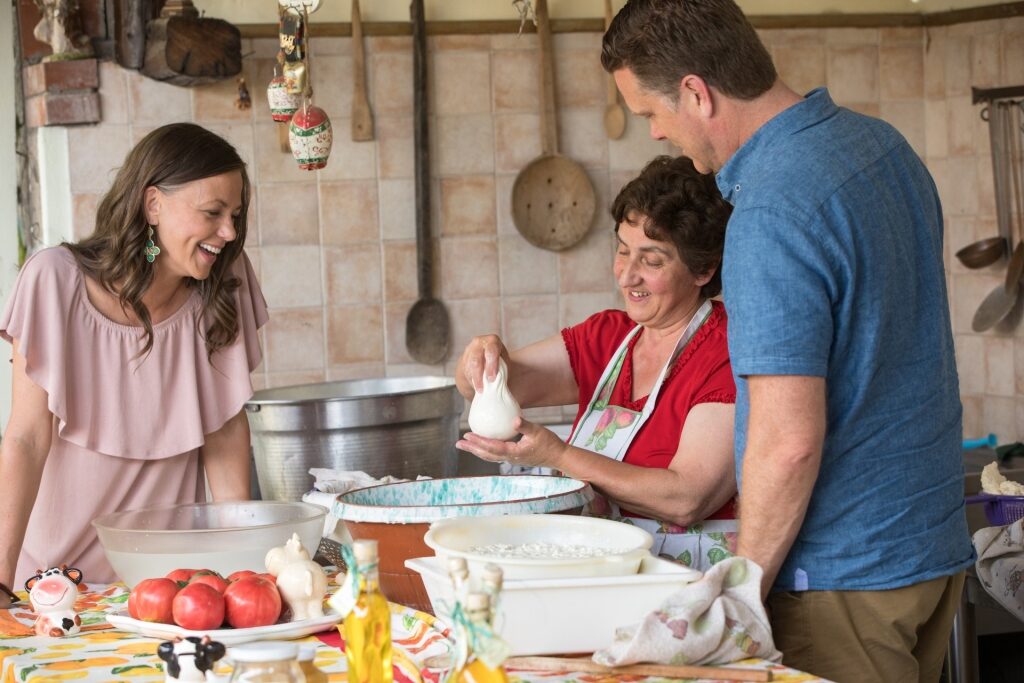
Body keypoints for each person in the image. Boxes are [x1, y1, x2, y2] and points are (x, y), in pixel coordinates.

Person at [601, 1, 973, 681]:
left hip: (838, 579)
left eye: (651, 110)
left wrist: (744, 591)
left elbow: (787, 440)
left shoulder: (772, 210)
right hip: (930, 550)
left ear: (695, 91)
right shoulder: (882, 146)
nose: (655, 131)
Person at [0, 123, 268, 604]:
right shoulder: (53, 282)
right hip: (55, 589)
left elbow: (225, 435)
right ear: (153, 204)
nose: (228, 233)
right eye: (212, 213)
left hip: (167, 595)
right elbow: (24, 438)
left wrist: (244, 575)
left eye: (235, 214)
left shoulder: (225, 285)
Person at [456, 155, 737, 571]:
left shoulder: (728, 349)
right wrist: (479, 360)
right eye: (623, 251)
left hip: (693, 591)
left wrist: (558, 456)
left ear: (703, 269)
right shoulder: (608, 338)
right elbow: (488, 386)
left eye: (652, 260)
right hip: (609, 577)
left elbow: (686, 499)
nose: (627, 276)